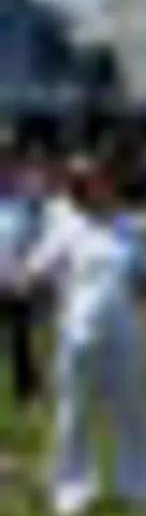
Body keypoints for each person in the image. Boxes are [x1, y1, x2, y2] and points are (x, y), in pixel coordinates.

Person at [24, 156, 146, 516]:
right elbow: (34, 272)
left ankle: (140, 490)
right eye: (85, 184)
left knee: (134, 410)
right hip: (78, 333)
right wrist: (30, 285)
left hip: (126, 332)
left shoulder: (128, 227)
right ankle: (71, 493)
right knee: (72, 413)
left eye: (101, 181)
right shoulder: (65, 228)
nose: (96, 189)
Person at [0, 146, 47, 409]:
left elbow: (35, 244)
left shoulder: (24, 207)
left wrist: (31, 277)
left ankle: (27, 394)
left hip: (16, 284)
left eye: (6, 164)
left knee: (21, 342)